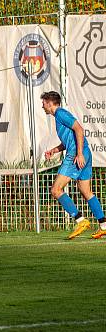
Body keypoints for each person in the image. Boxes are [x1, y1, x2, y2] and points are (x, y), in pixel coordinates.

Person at [41, 90, 106, 239]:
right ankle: (103, 225)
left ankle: (80, 220)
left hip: (77, 155)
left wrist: (79, 154)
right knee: (85, 190)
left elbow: (79, 129)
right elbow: (70, 139)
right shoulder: (59, 116)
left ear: (50, 103)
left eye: (43, 103)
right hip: (84, 153)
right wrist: (55, 150)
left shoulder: (61, 113)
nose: (42, 106)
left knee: (56, 190)